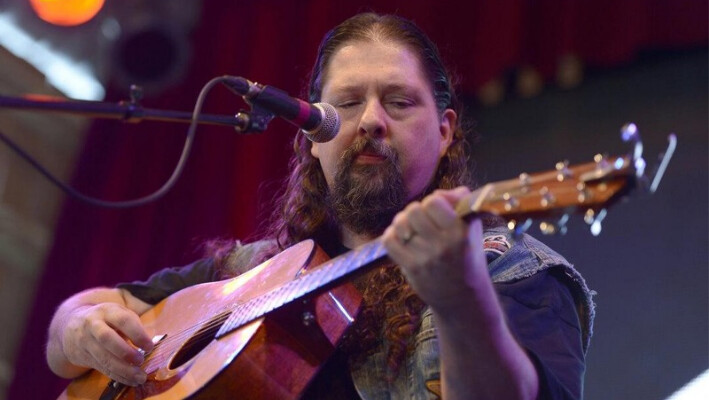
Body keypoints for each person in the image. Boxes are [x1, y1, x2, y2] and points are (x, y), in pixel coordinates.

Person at [46, 12, 594, 400]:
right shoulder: (251, 272)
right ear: (312, 132)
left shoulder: (511, 273)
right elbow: (87, 317)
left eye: (399, 102)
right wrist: (79, 327)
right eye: (348, 103)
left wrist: (460, 297)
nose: (372, 120)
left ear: (447, 131)